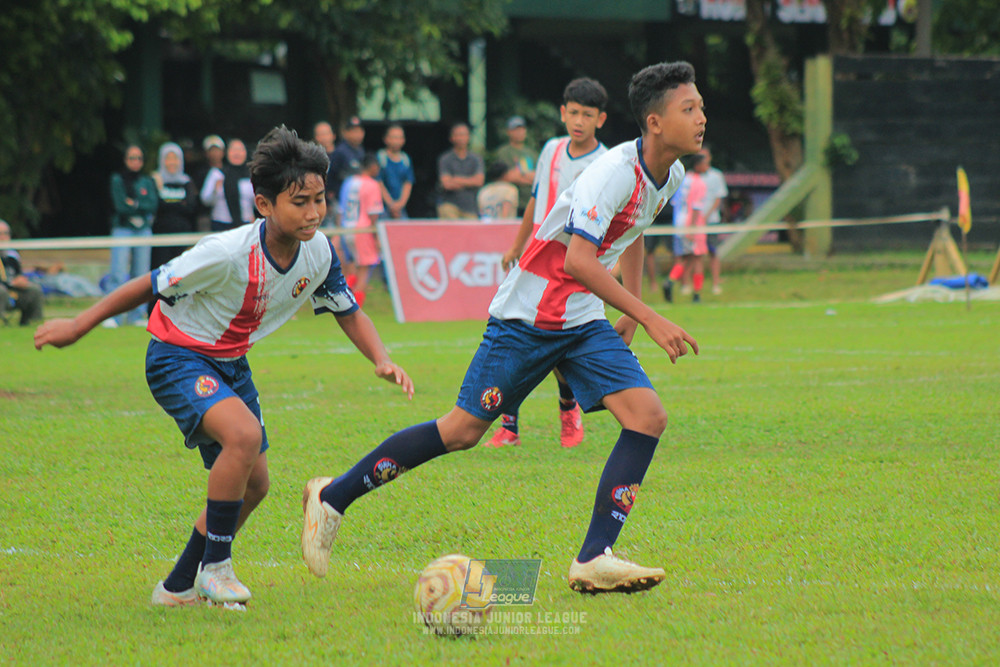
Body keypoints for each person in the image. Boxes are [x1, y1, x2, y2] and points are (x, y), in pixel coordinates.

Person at [301, 61, 704, 594]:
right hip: (528, 315)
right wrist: (650, 318)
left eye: (699, 107)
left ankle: (594, 557)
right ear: (654, 123)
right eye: (690, 108)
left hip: (580, 318)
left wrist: (631, 311)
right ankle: (333, 497)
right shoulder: (612, 172)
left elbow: (636, 231)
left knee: (648, 416)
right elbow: (580, 261)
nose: (702, 117)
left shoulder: (669, 172)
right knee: (461, 431)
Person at [33, 126, 413, 608]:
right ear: (264, 205)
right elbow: (147, 284)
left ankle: (176, 587)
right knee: (244, 437)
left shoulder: (318, 251)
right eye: (300, 201)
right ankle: (216, 569)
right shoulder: (228, 253)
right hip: (177, 355)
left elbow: (347, 308)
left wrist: (381, 359)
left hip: (230, 361)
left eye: (320, 199)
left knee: (255, 484)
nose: (314, 212)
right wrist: (78, 326)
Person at [491, 76, 608, 449]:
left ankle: (568, 411)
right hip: (533, 257)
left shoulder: (605, 162)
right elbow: (535, 200)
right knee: (512, 336)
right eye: (573, 112)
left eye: (587, 115)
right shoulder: (551, 150)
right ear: (562, 113)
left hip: (570, 263)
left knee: (556, 346)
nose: (578, 121)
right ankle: (508, 426)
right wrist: (516, 246)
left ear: (600, 120)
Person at [108, 144, 159, 327]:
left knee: (141, 274)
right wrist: (138, 206)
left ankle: (137, 316)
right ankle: (112, 317)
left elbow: (152, 204)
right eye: (131, 158)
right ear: (125, 160)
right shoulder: (117, 179)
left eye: (138, 158)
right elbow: (120, 206)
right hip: (122, 228)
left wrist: (134, 205)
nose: (135, 162)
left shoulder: (147, 181)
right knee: (117, 272)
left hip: (143, 229)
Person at [338, 153, 385, 307]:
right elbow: (373, 213)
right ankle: (355, 306)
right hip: (362, 230)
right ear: (373, 167)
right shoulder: (372, 184)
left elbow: (341, 209)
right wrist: (376, 237)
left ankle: (345, 293)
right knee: (365, 268)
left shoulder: (348, 182)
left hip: (346, 229)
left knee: (353, 266)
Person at [663, 153, 709, 304]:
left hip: (679, 222)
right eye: (705, 163)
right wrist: (693, 228)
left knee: (685, 258)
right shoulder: (699, 183)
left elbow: (675, 202)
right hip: (692, 224)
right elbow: (696, 207)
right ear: (698, 165)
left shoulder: (683, 179)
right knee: (697, 259)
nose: (707, 166)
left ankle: (671, 281)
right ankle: (696, 294)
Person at [151, 142, 198, 271]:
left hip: (182, 234)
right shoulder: (156, 181)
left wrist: (167, 203)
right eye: (168, 158)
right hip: (161, 235)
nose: (172, 162)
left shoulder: (186, 181)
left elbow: (190, 207)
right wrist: (179, 204)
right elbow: (156, 206)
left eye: (175, 158)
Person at [200, 138, 255, 232]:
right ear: (227, 153)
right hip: (221, 225)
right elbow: (205, 200)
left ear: (245, 153)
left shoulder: (251, 175)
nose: (237, 153)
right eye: (233, 150)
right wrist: (215, 190)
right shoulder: (216, 173)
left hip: (247, 224)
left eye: (240, 150)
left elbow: (259, 202)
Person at [0, 219, 44, 326]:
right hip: (2, 291)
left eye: (6, 233)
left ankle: (32, 323)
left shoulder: (12, 256)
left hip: (13, 291)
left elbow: (18, 275)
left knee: (34, 290)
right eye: (0, 234)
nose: (3, 237)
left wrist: (21, 281)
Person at [436, 122, 484, 219]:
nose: (461, 138)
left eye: (464, 135)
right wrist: (470, 181)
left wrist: (457, 179)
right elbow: (446, 184)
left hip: (470, 207)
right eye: (458, 135)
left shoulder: (476, 159)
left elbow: (479, 181)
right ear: (452, 138)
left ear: (468, 137)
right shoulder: (445, 159)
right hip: (449, 205)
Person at [699, 146, 729, 295]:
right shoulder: (691, 176)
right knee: (693, 255)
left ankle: (716, 282)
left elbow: (719, 198)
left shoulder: (716, 175)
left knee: (713, 251)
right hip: (694, 223)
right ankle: (691, 285)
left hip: (711, 221)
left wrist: (706, 216)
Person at [496, 116, 537, 217]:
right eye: (515, 129)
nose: (519, 132)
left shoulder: (532, 153)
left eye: (522, 129)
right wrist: (528, 176)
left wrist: (520, 174)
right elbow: (506, 176)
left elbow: (539, 177)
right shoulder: (503, 152)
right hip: (510, 202)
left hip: (530, 202)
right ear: (508, 132)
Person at [376, 124, 414, 219]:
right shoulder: (380, 158)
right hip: (382, 208)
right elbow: (378, 183)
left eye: (400, 138)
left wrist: (400, 204)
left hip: (400, 209)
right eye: (394, 137)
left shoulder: (406, 159)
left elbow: (408, 183)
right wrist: (391, 204)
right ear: (385, 139)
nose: (396, 141)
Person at [328, 116, 366, 208]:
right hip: (341, 198)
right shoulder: (340, 151)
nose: (357, 134)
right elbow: (331, 176)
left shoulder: (361, 151)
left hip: (357, 198)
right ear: (345, 133)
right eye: (354, 131)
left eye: (359, 131)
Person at [313, 121, 340, 230]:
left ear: (333, 135)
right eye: (321, 134)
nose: (324, 137)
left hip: (338, 202)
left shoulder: (340, 156)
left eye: (326, 133)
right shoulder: (313, 158)